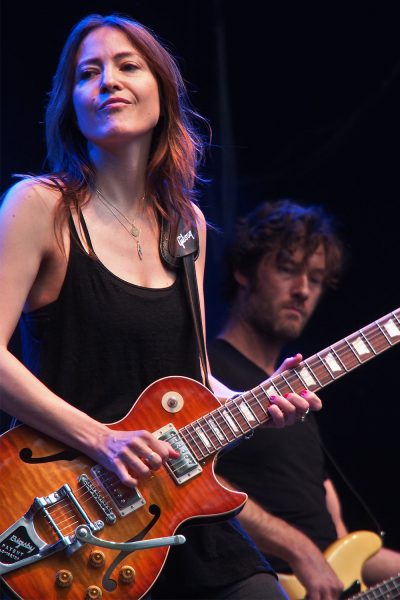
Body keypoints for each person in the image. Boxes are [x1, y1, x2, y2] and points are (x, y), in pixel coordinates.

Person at [0, 14, 322, 600]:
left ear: (162, 91)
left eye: (128, 66)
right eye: (87, 73)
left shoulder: (186, 227)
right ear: (70, 102)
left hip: (173, 498)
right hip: (67, 502)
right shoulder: (38, 206)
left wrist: (263, 399)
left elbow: (193, 380)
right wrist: (102, 439)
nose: (107, 82)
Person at [209, 200, 400, 600]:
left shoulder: (299, 402)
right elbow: (191, 482)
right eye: (287, 269)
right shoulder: (206, 372)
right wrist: (298, 549)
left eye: (315, 279)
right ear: (243, 270)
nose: (303, 290)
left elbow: (343, 545)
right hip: (252, 583)